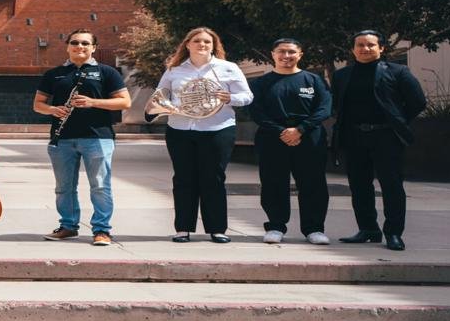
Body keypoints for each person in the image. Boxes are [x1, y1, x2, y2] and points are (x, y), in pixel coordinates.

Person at [152, 26, 253, 243]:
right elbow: (160, 95)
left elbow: (247, 96)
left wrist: (230, 98)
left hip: (217, 128)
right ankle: (183, 228)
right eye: (197, 41)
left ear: (213, 45)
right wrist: (172, 105)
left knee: (214, 179)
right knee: (183, 179)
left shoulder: (228, 68)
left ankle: (217, 229)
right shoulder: (174, 69)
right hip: (180, 129)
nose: (202, 44)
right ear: (187, 44)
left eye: (207, 41)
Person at [32, 29, 132, 246]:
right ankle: (68, 226)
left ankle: (102, 230)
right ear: (67, 46)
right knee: (64, 187)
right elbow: (37, 105)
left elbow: (125, 102)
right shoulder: (54, 74)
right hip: (62, 139)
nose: (80, 47)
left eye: (85, 43)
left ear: (93, 47)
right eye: (75, 43)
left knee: (100, 186)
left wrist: (93, 102)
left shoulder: (107, 72)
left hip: (98, 138)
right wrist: (52, 110)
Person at [329, 29, 426, 252]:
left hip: (386, 136)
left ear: (381, 48)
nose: (365, 49)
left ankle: (393, 233)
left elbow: (418, 102)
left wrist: (397, 121)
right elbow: (337, 105)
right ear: (353, 49)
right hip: (354, 137)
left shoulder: (398, 71)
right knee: (359, 185)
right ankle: (368, 229)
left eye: (370, 45)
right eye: (360, 45)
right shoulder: (342, 75)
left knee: (391, 186)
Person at [249, 38, 333, 245]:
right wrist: (282, 131)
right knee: (273, 183)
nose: (286, 56)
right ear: (273, 54)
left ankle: (314, 229)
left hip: (310, 137)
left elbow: (324, 108)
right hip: (272, 137)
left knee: (313, 184)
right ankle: (276, 226)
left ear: (300, 55)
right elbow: (256, 111)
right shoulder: (261, 83)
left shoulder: (314, 80)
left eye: (291, 52)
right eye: (281, 52)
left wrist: (301, 130)